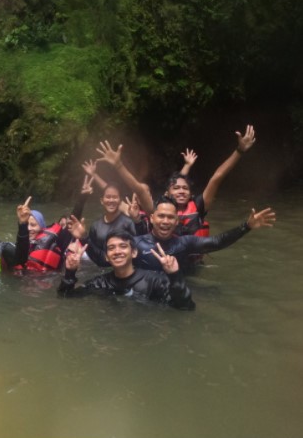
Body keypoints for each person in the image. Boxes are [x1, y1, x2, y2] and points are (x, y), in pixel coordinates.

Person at [57, 231, 195, 310]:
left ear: (134, 253)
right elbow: (65, 297)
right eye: (111, 248)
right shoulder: (100, 283)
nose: (117, 251)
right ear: (106, 257)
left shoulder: (155, 280)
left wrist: (174, 275)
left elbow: (185, 307)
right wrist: (70, 272)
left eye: (123, 246)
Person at [132, 197, 276, 272]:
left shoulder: (185, 243)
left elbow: (216, 242)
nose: (165, 221)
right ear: (151, 218)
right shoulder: (135, 243)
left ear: (177, 221)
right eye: (161, 216)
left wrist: (247, 226)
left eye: (170, 217)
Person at [165, 125, 257, 237]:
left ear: (190, 194)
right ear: (167, 194)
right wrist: (187, 166)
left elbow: (217, 177)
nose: (181, 191)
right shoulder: (161, 207)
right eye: (176, 189)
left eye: (185, 189)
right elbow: (177, 181)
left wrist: (239, 151)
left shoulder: (198, 206)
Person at [20, 175, 92, 272]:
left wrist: (81, 199)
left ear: (42, 227)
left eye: (33, 225)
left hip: (49, 281)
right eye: (27, 225)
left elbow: (72, 222)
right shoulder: (21, 243)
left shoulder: (56, 241)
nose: (29, 228)